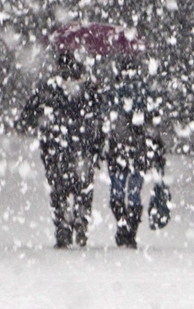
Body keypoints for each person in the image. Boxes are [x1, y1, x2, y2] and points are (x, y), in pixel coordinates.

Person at [17, 51, 104, 248]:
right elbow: (99, 117)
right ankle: (81, 220)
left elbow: (29, 113)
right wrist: (97, 145)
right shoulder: (88, 88)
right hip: (83, 148)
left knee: (59, 191)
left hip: (56, 148)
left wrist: (31, 124)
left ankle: (63, 226)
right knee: (83, 188)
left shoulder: (49, 88)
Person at [104, 55, 165, 249]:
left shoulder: (114, 92)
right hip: (139, 149)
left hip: (118, 148)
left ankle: (122, 226)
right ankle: (131, 229)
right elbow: (154, 119)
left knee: (117, 189)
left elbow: (106, 118)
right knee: (134, 191)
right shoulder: (145, 91)